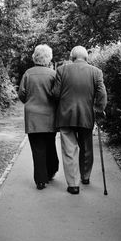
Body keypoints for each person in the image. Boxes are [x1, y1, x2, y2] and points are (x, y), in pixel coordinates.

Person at [52, 45, 107, 194]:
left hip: (65, 115)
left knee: (69, 150)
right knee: (86, 148)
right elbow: (102, 94)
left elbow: (56, 94)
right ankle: (86, 176)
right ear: (86, 58)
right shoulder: (96, 72)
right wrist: (98, 109)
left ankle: (73, 185)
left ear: (71, 57)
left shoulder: (62, 70)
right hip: (86, 115)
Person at [18, 44, 59, 190]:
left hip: (33, 117)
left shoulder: (28, 74)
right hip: (49, 116)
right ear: (49, 58)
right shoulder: (53, 74)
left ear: (35, 57)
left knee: (37, 148)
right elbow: (57, 95)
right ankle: (52, 170)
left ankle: (41, 180)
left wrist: (30, 101)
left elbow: (21, 94)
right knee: (50, 144)